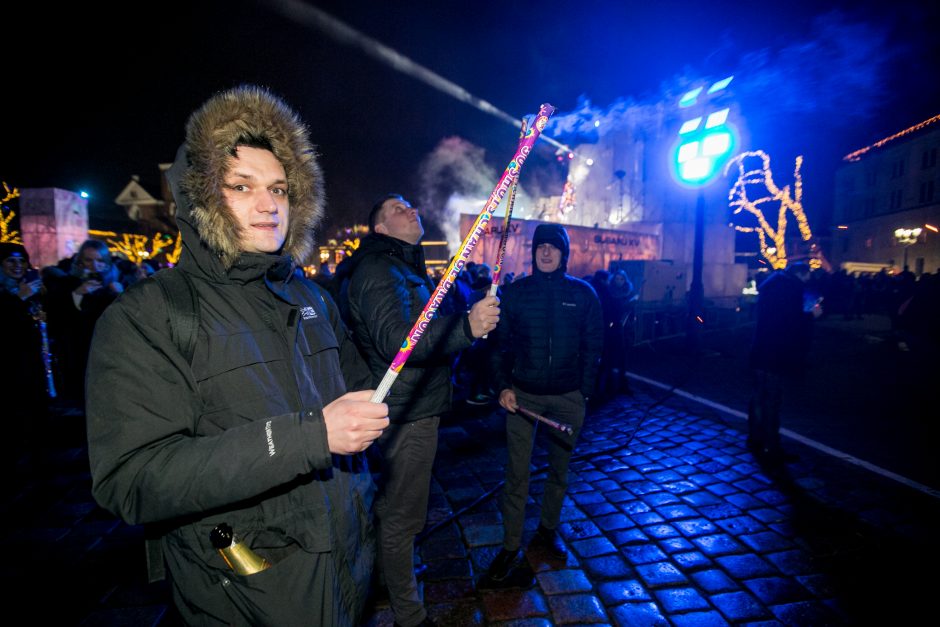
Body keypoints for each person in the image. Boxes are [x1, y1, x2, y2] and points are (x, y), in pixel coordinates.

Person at [85, 85, 389, 626]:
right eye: (241, 187)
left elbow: (358, 396)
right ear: (203, 198)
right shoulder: (148, 316)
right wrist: (309, 436)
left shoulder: (313, 296)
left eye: (279, 188)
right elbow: (132, 479)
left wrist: (442, 343)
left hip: (346, 570)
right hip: (245, 592)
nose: (268, 204)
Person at [342, 194, 499, 627]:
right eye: (396, 209)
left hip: (416, 405)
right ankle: (409, 613)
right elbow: (400, 342)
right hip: (405, 414)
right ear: (380, 229)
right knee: (403, 517)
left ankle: (392, 574)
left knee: (397, 507)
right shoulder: (378, 269)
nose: (411, 210)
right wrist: (466, 326)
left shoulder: (401, 267)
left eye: (411, 206)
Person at [484, 223, 603, 586]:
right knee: (517, 474)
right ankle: (509, 546)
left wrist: (582, 391)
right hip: (524, 397)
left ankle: (548, 531)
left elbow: (594, 345)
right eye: (541, 247)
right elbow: (498, 347)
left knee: (559, 473)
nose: (546, 253)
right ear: (533, 252)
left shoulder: (583, 294)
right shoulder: (516, 294)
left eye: (554, 247)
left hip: (567, 398)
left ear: (564, 253)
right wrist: (503, 386)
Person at [748, 261, 821, 466]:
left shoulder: (770, 285)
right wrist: (811, 315)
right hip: (777, 352)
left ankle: (755, 439)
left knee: (759, 398)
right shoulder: (794, 289)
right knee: (772, 401)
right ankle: (772, 446)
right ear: (801, 274)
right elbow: (794, 323)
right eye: (808, 275)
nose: (809, 279)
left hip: (760, 348)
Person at [45, 239, 123, 407]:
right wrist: (77, 294)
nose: (95, 265)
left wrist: (121, 295)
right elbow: (58, 319)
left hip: (111, 358)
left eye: (100, 260)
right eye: (89, 260)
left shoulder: (114, 285)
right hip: (79, 357)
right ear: (80, 262)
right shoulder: (67, 284)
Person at [0, 242, 49, 484]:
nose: (17, 266)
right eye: (11, 261)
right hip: (9, 369)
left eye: (21, 261)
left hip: (32, 365)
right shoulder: (12, 294)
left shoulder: (30, 289)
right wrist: (18, 300)